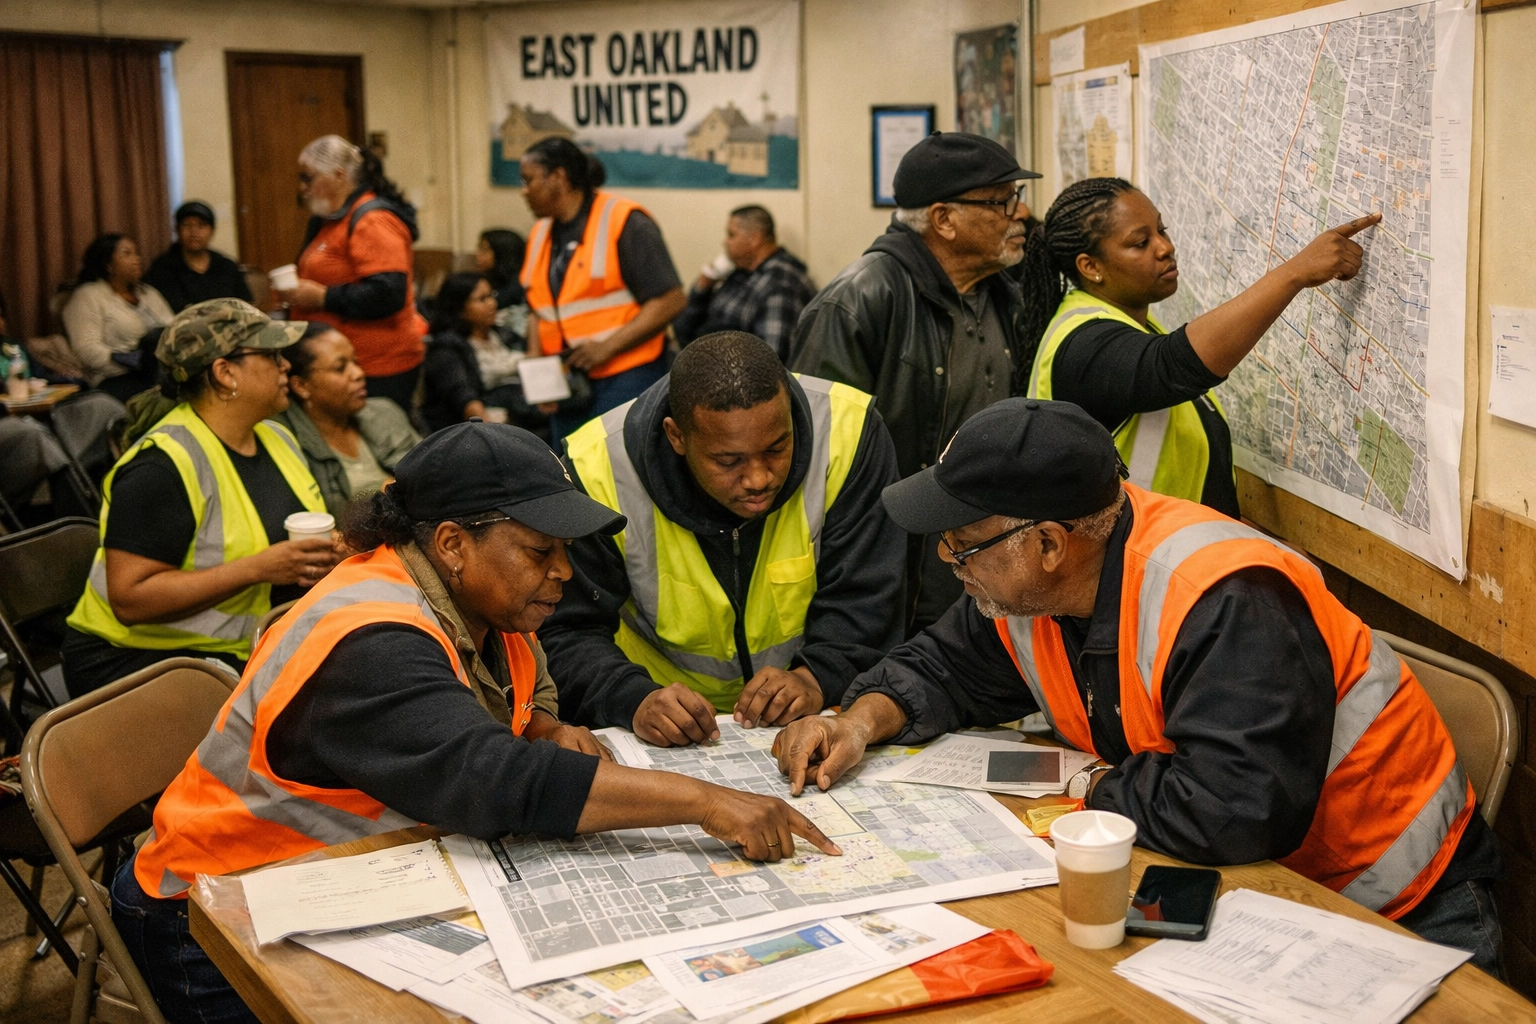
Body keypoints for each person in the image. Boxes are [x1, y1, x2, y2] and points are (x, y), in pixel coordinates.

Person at [112, 421, 839, 1024]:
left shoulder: (488, 600)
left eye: (567, 552)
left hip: (351, 879)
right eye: (541, 552)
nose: (564, 574)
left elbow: (526, 699)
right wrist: (706, 801)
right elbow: (494, 780)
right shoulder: (372, 641)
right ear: (454, 544)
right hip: (220, 912)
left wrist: (548, 728)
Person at [775, 398, 1504, 974]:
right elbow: (944, 666)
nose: (946, 557)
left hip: (1388, 910)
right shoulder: (1030, 591)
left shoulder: (1223, 598)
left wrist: (1091, 784)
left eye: (963, 544)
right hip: (1239, 892)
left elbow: (1231, 808)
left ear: (1051, 544)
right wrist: (858, 722)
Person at [542, 331, 905, 745]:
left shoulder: (849, 434)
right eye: (728, 461)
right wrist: (631, 697)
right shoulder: (596, 470)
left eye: (777, 448)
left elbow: (871, 594)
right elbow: (564, 631)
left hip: (812, 716)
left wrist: (817, 675)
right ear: (677, 437)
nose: (758, 479)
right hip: (657, 729)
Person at [789, 132, 1040, 631]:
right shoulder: (857, 303)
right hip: (889, 565)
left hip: (980, 551)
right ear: (944, 219)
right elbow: (821, 463)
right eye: (1002, 201)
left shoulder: (1004, 292)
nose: (1021, 215)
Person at [1021, 177, 1381, 517]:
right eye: (1140, 243)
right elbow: (1174, 367)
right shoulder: (1085, 344)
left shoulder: (1129, 325)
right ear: (1091, 266)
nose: (1165, 247)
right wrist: (1294, 273)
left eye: (1161, 230)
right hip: (1136, 571)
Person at [62, 299, 338, 697]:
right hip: (144, 662)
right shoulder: (161, 467)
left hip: (247, 644)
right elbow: (130, 600)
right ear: (225, 372)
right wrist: (257, 569)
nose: (286, 366)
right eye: (272, 355)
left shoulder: (277, 437)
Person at [518, 138, 686, 447]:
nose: (523, 191)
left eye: (529, 180)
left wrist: (607, 347)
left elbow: (671, 299)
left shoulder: (625, 222)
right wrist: (538, 373)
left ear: (558, 177)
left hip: (627, 374)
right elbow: (537, 308)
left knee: (623, 472)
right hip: (568, 382)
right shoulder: (540, 232)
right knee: (572, 472)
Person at [280, 135, 429, 415]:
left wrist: (323, 297)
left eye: (308, 178)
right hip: (339, 362)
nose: (303, 188)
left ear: (338, 176)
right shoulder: (329, 220)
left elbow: (388, 294)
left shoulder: (373, 220)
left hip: (377, 365)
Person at [275, 322, 420, 515]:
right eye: (340, 368)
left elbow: (435, 471)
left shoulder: (384, 413)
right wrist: (390, 495)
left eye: (356, 362)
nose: (359, 373)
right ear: (301, 385)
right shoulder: (287, 443)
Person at [673, 206, 816, 361]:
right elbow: (682, 330)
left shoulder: (781, 285)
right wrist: (704, 284)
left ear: (754, 239)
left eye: (731, 235)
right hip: (698, 363)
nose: (725, 242)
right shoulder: (741, 273)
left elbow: (771, 363)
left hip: (729, 378)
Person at [422, 271, 542, 434]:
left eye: (491, 296)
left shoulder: (502, 334)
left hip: (526, 417)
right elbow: (463, 396)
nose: (492, 303)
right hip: (481, 428)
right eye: (482, 299)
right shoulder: (447, 347)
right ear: (459, 308)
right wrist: (493, 436)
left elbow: (532, 359)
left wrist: (536, 312)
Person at [61, 234, 175, 399]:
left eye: (136, 253)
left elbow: (174, 327)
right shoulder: (88, 296)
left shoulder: (148, 293)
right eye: (127, 254)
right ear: (108, 265)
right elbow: (86, 349)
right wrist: (127, 360)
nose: (137, 259)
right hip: (117, 378)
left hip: (162, 371)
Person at [144, 201, 253, 313]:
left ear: (212, 230)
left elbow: (246, 305)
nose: (194, 232)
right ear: (177, 230)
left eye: (201, 225)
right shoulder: (162, 268)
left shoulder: (227, 266)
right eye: (187, 225)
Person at [476, 227, 530, 336]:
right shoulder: (489, 280)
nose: (478, 254)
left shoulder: (518, 284)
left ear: (502, 253)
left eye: (484, 250)